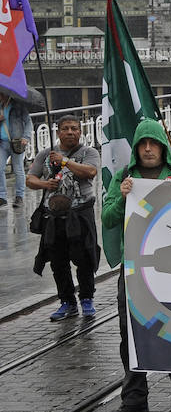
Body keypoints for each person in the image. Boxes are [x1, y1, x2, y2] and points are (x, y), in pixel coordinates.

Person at [102, 118, 171, 412]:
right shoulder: (124, 177)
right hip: (134, 269)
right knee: (130, 332)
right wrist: (124, 197)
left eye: (153, 143)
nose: (148, 149)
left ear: (162, 147)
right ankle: (134, 397)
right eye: (142, 143)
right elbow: (109, 217)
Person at [28, 116, 101, 321]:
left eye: (75, 129)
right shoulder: (45, 154)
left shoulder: (88, 152)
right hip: (54, 216)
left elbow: (90, 172)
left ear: (80, 132)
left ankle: (87, 298)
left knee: (84, 257)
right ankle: (67, 301)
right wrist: (45, 185)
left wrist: (65, 162)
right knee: (58, 261)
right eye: (66, 129)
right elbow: (30, 179)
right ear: (58, 132)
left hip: (80, 214)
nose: (71, 132)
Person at [0, 90, 30, 209]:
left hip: (16, 142)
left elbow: (28, 122)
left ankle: (19, 196)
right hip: (2, 143)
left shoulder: (18, 106)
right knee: (0, 168)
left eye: (1, 94)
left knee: (18, 169)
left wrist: (26, 137)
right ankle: (2, 197)